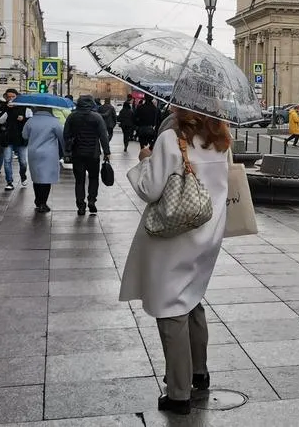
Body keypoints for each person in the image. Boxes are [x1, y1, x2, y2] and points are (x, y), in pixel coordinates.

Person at [119, 107, 231, 417]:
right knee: (192, 300)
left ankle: (179, 393)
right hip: (207, 234)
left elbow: (150, 189)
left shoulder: (172, 138)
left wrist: (145, 159)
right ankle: (199, 372)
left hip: (175, 235)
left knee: (170, 309)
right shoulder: (222, 140)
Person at [64, 95, 112, 216]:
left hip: (77, 153)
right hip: (93, 153)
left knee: (79, 181)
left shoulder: (72, 116)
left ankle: (81, 206)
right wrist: (107, 152)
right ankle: (92, 200)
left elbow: (66, 134)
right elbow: (103, 136)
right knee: (93, 178)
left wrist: (69, 146)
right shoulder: (97, 117)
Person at [22, 107, 65, 213]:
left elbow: (24, 135)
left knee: (36, 177)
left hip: (33, 153)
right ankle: (43, 203)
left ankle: (38, 200)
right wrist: (66, 151)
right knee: (46, 178)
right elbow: (62, 137)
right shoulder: (54, 121)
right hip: (49, 153)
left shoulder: (31, 121)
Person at [0, 89, 30, 191]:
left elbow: (30, 120)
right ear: (6, 97)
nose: (11, 98)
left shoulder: (24, 107)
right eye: (9, 97)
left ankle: (23, 176)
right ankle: (9, 182)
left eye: (13, 96)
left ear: (17, 97)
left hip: (21, 138)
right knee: (7, 160)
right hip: (8, 138)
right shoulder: (4, 107)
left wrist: (23, 119)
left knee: (23, 162)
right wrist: (6, 109)